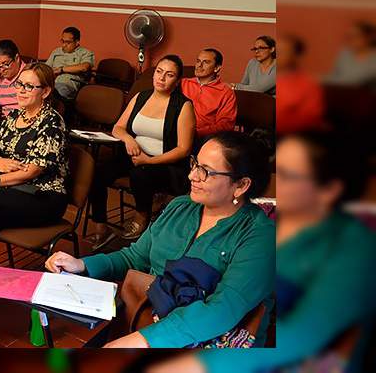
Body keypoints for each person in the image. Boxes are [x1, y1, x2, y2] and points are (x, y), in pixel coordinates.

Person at [147, 132, 376, 373]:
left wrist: (195, 364)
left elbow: (301, 336)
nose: (275, 182)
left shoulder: (351, 250)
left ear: (330, 189)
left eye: (289, 176)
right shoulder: (280, 225)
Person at [46, 131, 274, 349]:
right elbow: (135, 257)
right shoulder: (181, 207)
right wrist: (83, 265)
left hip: (201, 337)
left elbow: (223, 309)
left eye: (206, 171)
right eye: (195, 164)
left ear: (241, 185)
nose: (192, 175)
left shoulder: (258, 236)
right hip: (145, 317)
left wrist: (145, 339)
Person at [89, 55, 195, 240]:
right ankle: (100, 225)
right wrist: (129, 139)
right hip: (135, 155)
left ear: (177, 81)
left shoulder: (183, 106)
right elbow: (118, 128)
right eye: (159, 72)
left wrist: (150, 160)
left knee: (140, 174)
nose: (161, 78)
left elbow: (183, 149)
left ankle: (141, 216)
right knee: (98, 173)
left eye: (169, 75)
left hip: (166, 164)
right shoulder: (141, 97)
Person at [0, 63, 68, 236]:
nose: (21, 90)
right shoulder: (14, 115)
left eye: (29, 86)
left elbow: (31, 172)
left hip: (43, 195)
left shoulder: (51, 122)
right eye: (19, 84)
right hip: (12, 186)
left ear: (45, 92)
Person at [180, 48, 237, 139]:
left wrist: (195, 133)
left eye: (206, 62)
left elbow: (226, 125)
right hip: (176, 132)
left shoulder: (226, 92)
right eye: (198, 61)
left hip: (204, 138)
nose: (199, 65)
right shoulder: (183, 83)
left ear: (217, 68)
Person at [275, 34, 326, 134]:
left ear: (295, 56)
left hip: (291, 137)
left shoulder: (308, 85)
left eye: (281, 52)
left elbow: (311, 119)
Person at [46, 26, 95, 100]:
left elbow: (84, 67)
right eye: (62, 41)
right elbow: (46, 68)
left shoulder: (85, 53)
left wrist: (61, 69)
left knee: (55, 94)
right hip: (50, 83)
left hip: (67, 85)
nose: (64, 45)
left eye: (68, 42)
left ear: (77, 42)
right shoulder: (56, 51)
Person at [324, 20, 376, 87]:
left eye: (356, 36)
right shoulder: (345, 54)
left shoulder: (374, 57)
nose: (351, 40)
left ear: (368, 38)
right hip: (343, 91)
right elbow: (335, 75)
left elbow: (360, 79)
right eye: (349, 36)